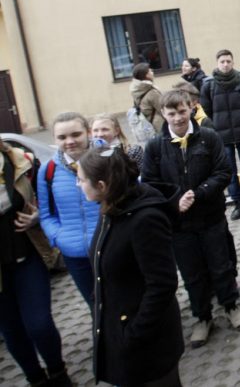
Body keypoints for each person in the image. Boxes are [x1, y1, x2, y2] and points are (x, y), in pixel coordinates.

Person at [142, 90, 240, 348]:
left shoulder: (208, 137)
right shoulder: (155, 146)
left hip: (211, 216)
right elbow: (150, 184)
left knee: (220, 265)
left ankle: (230, 306)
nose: (177, 117)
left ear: (191, 108)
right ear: (163, 115)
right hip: (179, 224)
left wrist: (199, 193)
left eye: (181, 111)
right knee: (192, 273)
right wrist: (174, 202)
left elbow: (223, 171)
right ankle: (202, 317)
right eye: (171, 113)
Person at [79, 145, 184, 386]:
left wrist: (134, 333)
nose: (79, 185)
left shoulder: (145, 219)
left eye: (82, 180)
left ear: (102, 186)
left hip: (149, 346)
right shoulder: (110, 209)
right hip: (123, 334)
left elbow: (162, 284)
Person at [0, 142, 72, 387]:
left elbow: (49, 197)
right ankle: (36, 379)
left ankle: (58, 373)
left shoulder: (22, 160)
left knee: (39, 324)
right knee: (11, 330)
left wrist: (38, 215)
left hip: (28, 255)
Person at [37, 112, 99, 308]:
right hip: (76, 255)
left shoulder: (109, 158)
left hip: (110, 247)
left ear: (88, 132)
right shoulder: (48, 170)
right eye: (62, 137)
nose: (70, 142)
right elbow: (46, 214)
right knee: (95, 306)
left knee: (125, 302)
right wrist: (58, 237)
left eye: (76, 134)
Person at [200, 49, 240, 220]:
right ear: (217, 63)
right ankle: (238, 204)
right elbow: (207, 108)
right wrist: (217, 124)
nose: (225, 64)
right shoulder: (209, 85)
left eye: (228, 61)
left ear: (233, 62)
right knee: (230, 172)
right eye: (222, 62)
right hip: (222, 136)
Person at [130, 63, 165, 133]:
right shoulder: (151, 92)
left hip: (149, 124)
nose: (152, 72)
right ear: (146, 75)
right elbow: (163, 110)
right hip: (160, 126)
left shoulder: (137, 89)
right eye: (150, 71)